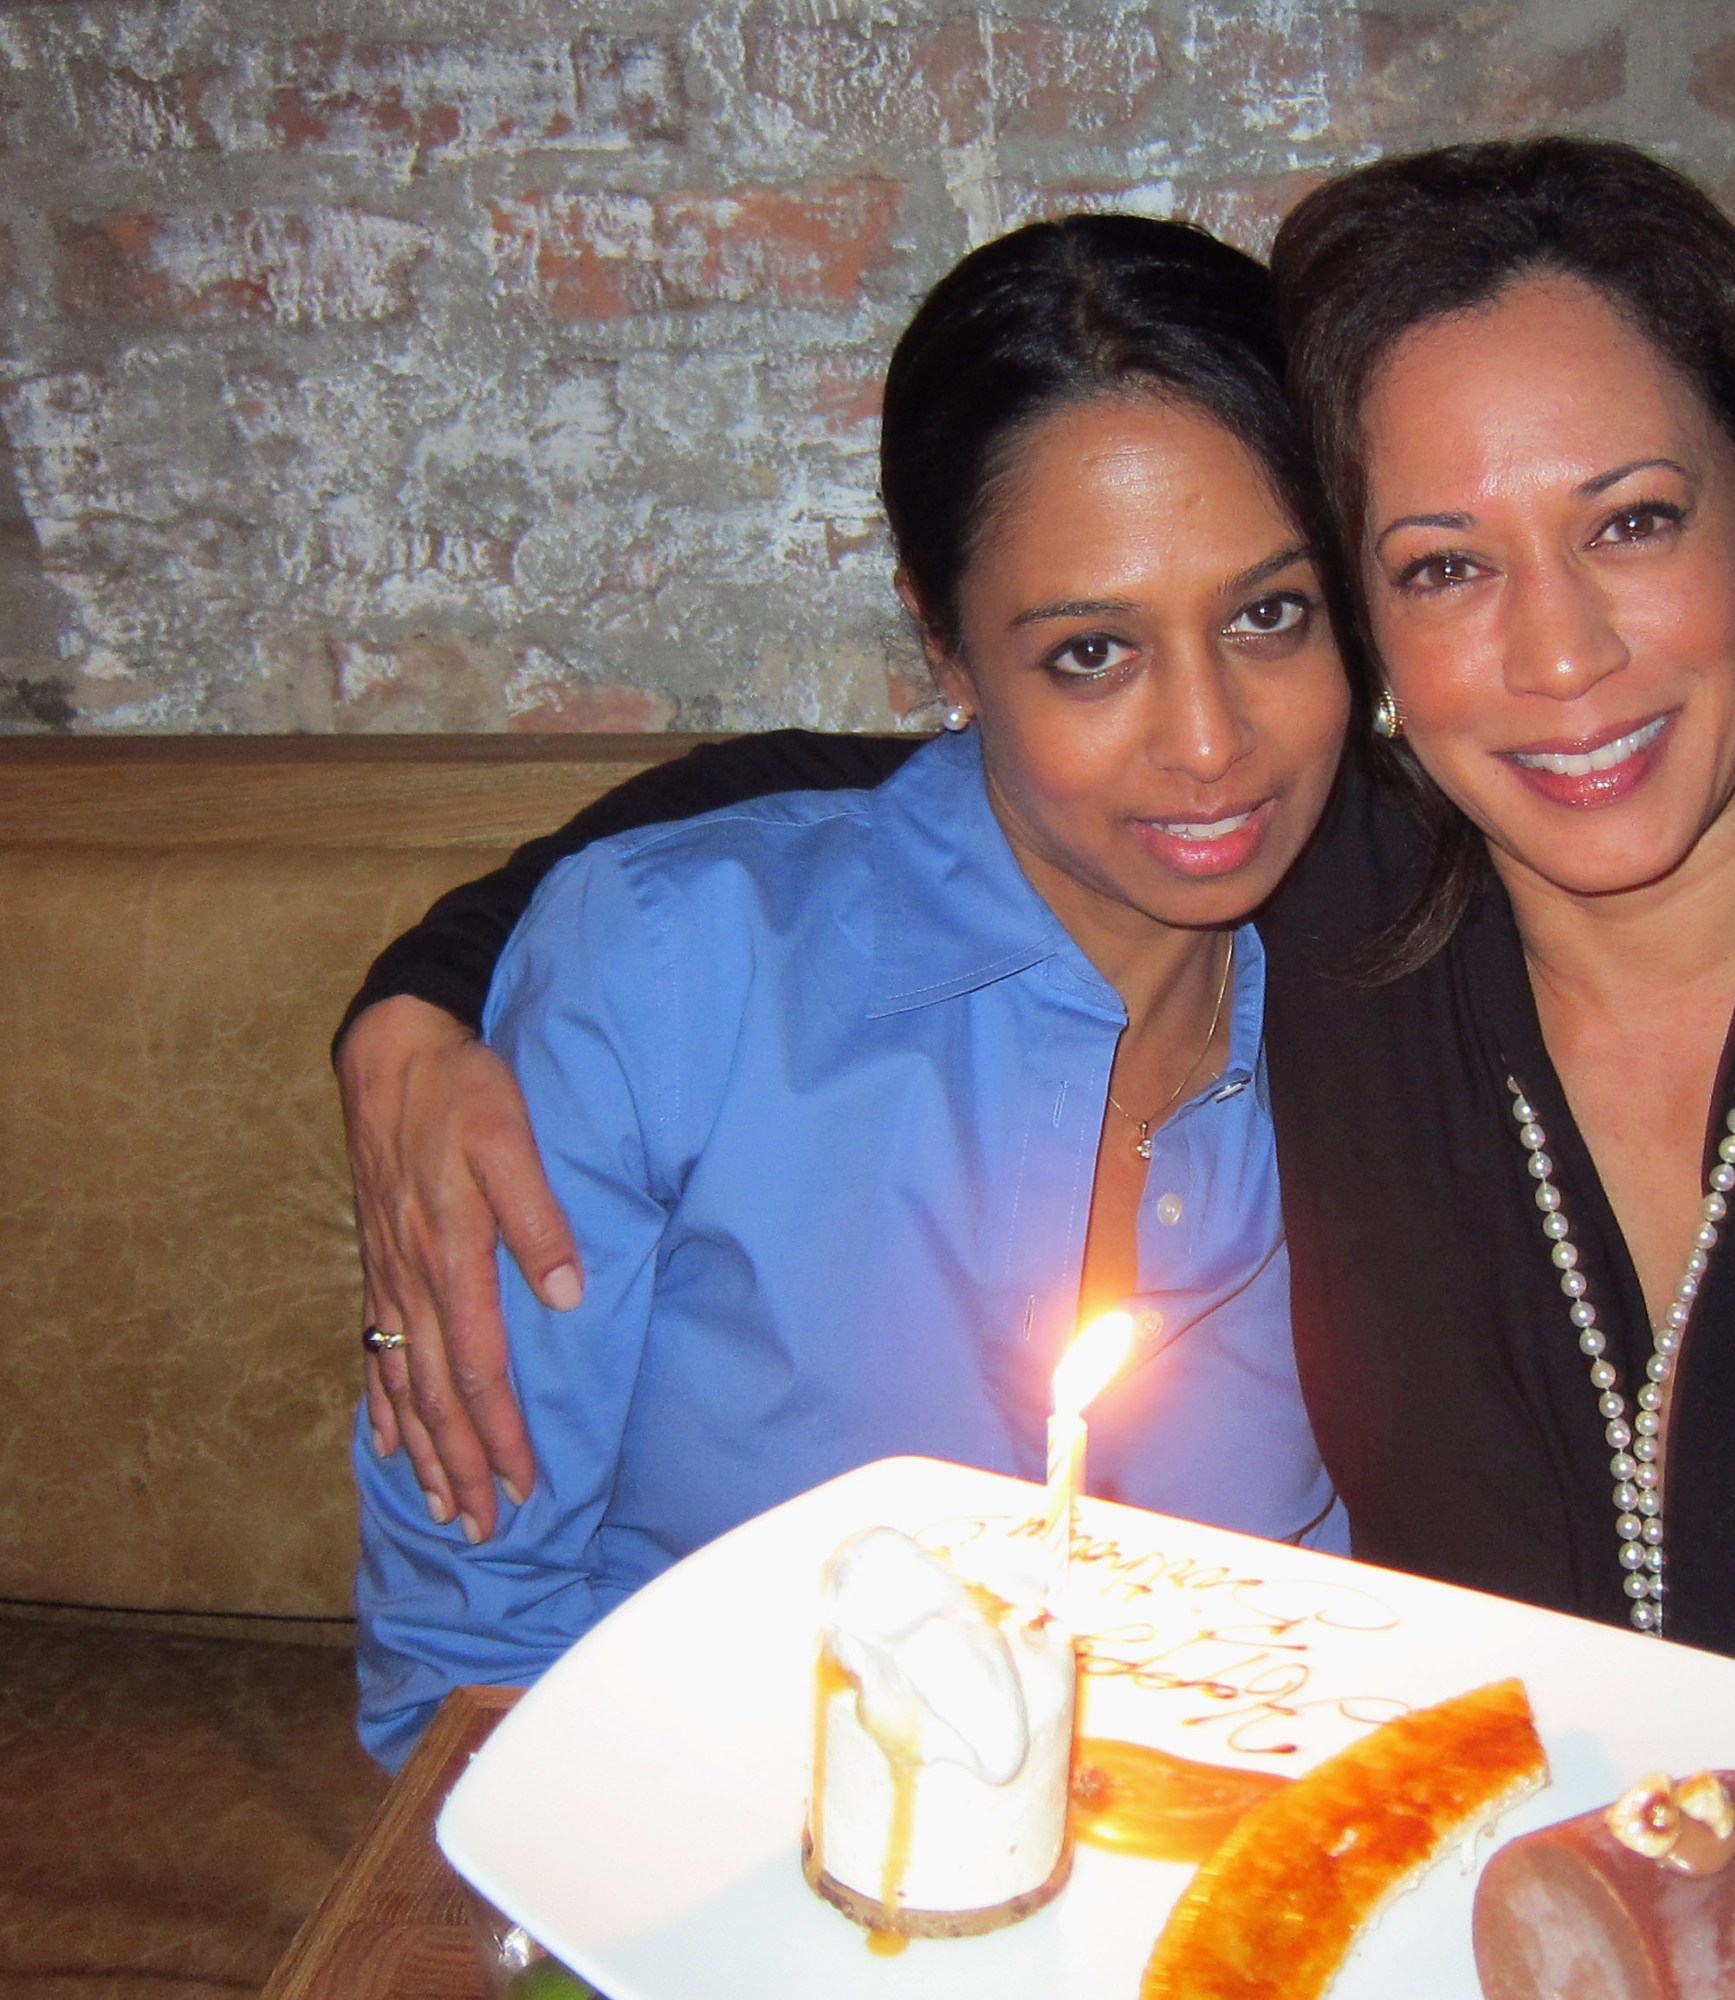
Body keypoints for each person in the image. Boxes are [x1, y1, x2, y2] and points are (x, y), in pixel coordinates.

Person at [341, 141, 1735, 1748]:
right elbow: (844, 811)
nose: (1555, 654)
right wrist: (427, 991)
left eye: (1629, 522)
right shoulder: (1337, 902)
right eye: (1445, 565)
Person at [346, 214, 1358, 1767]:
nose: (1212, 740)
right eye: (1092, 651)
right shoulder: (680, 976)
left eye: (1268, 613)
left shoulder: (1415, 997)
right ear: (946, 649)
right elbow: (470, 1664)